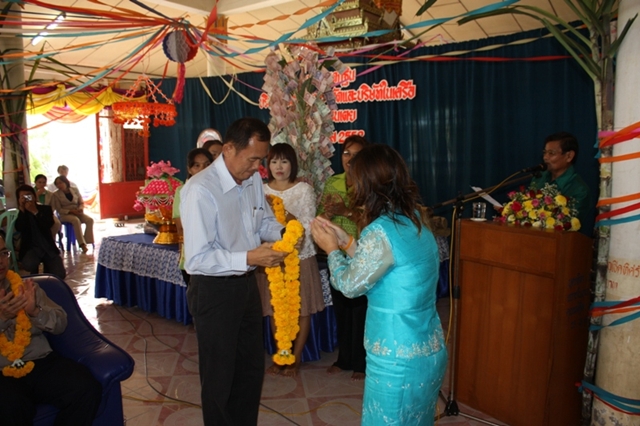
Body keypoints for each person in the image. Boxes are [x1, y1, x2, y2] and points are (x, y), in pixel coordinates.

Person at [311, 144, 448, 425]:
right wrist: (346, 241)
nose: (351, 187)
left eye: (354, 181)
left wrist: (331, 250)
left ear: (367, 184)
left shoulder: (379, 230)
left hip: (396, 354)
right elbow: (383, 265)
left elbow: (350, 285)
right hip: (427, 348)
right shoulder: (413, 218)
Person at [180, 117, 287, 426]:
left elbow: (264, 222)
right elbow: (197, 259)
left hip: (246, 285)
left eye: (261, 160)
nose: (257, 167)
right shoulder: (200, 190)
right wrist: (250, 257)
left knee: (250, 369)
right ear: (228, 149)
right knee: (219, 376)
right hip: (214, 290)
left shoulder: (251, 180)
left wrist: (288, 233)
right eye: (252, 159)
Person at [0, 235, 102, 425]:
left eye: (3, 253)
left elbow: (60, 324)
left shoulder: (25, 288)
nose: (0, 261)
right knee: (11, 406)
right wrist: (3, 319)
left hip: (39, 361)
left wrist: (35, 312)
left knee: (85, 387)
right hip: (2, 371)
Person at [256, 143, 325, 377]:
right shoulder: (260, 190)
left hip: (299, 257)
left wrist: (282, 211)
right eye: (274, 161)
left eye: (284, 161)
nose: (279, 167)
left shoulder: (304, 190)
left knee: (301, 309)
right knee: (275, 308)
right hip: (271, 257)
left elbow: (307, 224)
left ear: (292, 164)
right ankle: (281, 356)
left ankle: (295, 358)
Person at [316, 134, 367, 380]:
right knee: (342, 309)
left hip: (361, 253)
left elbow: (371, 220)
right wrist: (326, 214)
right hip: (335, 253)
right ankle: (344, 358)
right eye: (347, 153)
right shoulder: (333, 182)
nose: (350, 159)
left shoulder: (369, 183)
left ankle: (361, 363)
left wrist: (346, 211)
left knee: (360, 311)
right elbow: (321, 215)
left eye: (357, 155)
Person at [530, 132, 592, 230]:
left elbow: (568, 226)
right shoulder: (539, 177)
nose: (545, 157)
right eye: (545, 152)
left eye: (551, 153)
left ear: (569, 156)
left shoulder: (580, 190)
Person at [172, 148, 214, 286]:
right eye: (197, 165)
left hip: (218, 259)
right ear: (189, 169)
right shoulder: (182, 191)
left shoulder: (220, 190)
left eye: (207, 165)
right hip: (193, 257)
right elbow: (181, 228)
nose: (203, 170)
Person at [14, 185, 66, 279]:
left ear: (34, 196)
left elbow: (48, 224)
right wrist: (22, 210)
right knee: (29, 264)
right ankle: (36, 272)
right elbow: (19, 228)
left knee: (59, 274)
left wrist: (35, 211)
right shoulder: (21, 214)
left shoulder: (45, 209)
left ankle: (47, 270)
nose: (26, 198)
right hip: (31, 248)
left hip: (48, 247)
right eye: (22, 197)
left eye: (28, 195)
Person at [50, 176, 94, 253]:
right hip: (65, 214)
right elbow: (59, 209)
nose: (59, 185)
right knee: (76, 220)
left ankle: (87, 240)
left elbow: (81, 202)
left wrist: (80, 208)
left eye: (61, 183)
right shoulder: (55, 194)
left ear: (66, 182)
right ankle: (82, 244)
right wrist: (71, 211)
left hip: (77, 211)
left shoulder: (75, 190)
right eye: (57, 184)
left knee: (89, 220)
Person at [34, 174, 62, 239]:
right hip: (34, 213)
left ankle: (50, 239)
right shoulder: (30, 192)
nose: (42, 184)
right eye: (39, 182)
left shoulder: (50, 194)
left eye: (44, 182)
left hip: (47, 213)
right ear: (35, 182)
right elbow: (27, 202)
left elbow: (53, 207)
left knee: (57, 223)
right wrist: (36, 195)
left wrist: (48, 212)